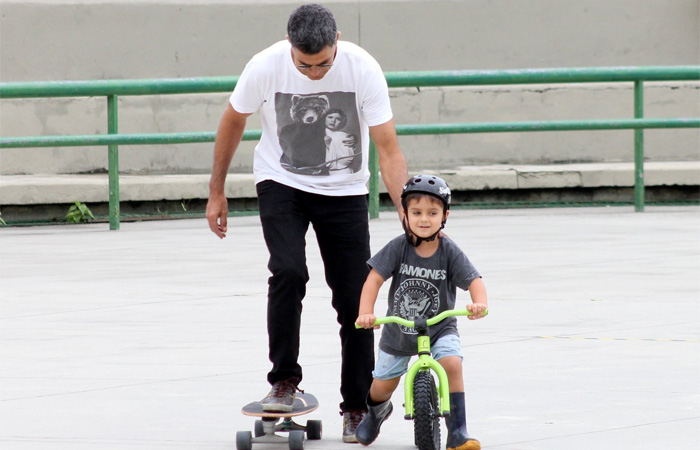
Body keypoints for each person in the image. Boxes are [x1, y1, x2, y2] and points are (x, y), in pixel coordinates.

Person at [205, 3, 408, 443]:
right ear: (288, 45)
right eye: (305, 65)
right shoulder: (264, 65)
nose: (315, 74)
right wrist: (216, 189)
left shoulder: (362, 69)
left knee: (356, 298)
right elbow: (233, 120)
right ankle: (283, 380)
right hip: (282, 183)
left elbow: (389, 149)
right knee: (288, 271)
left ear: (337, 42)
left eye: (323, 64)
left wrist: (407, 212)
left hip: (345, 190)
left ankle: (356, 406)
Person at [355, 175, 488, 450]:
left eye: (432, 212)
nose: (424, 219)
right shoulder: (398, 247)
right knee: (382, 386)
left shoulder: (449, 251)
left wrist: (479, 303)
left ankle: (457, 431)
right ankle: (377, 412)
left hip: (439, 328)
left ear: (445, 215)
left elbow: (475, 281)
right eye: (416, 212)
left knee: (452, 363)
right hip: (399, 330)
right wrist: (365, 313)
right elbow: (374, 280)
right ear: (404, 214)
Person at [323, 108, 358, 173]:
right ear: (324, 118)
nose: (333, 121)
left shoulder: (345, 137)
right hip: (321, 175)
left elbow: (345, 161)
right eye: (330, 117)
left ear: (342, 122)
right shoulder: (317, 135)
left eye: (338, 119)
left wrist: (330, 146)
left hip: (343, 173)